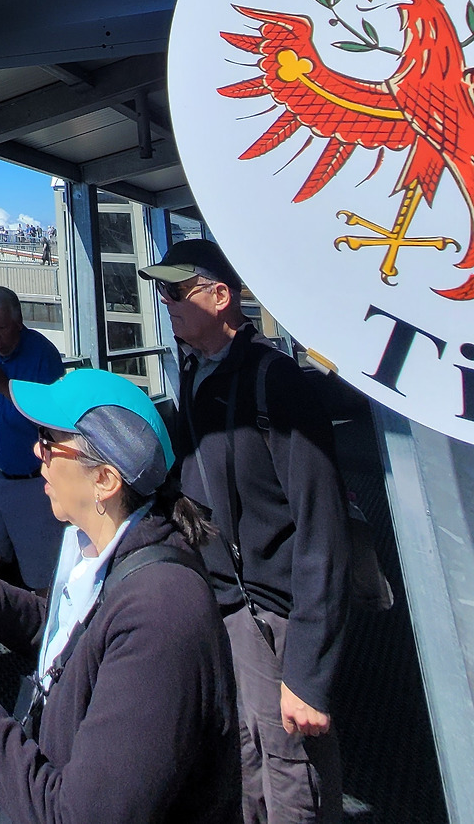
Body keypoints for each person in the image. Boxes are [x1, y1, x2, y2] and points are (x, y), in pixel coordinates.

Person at [0, 369, 240, 824]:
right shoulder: (101, 546)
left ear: (105, 480)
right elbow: (80, 645)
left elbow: (74, 815)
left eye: (50, 441)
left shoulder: (162, 615)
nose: (37, 451)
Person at [137, 240, 351, 824]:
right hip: (224, 602)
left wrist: (307, 673)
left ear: (220, 296)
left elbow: (323, 526)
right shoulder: (195, 370)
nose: (165, 303)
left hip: (272, 615)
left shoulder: (275, 382)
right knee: (242, 761)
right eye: (162, 293)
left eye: (176, 291)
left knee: (290, 771)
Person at [0, 287, 64, 676]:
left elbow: (55, 418)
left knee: (43, 580)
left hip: (30, 482)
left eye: (1, 329)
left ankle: (54, 665)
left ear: (18, 323)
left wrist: (8, 387)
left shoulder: (43, 356)